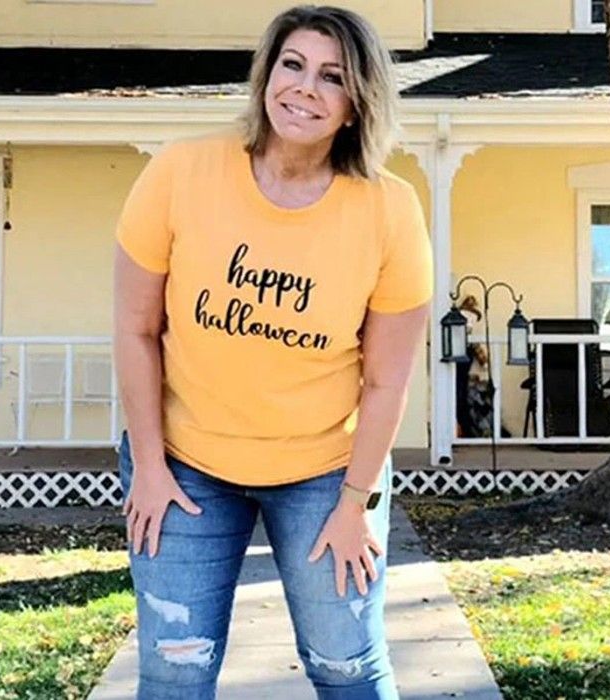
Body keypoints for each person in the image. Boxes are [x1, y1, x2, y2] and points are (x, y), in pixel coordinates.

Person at [111, 5, 432, 698]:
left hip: (325, 472)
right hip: (185, 465)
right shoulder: (179, 173)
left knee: (346, 663)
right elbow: (136, 331)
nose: (305, 89)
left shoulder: (390, 210)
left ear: (356, 105)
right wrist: (148, 466)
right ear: (265, 76)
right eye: (292, 65)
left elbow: (386, 381)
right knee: (175, 668)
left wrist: (355, 504)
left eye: (332, 76)